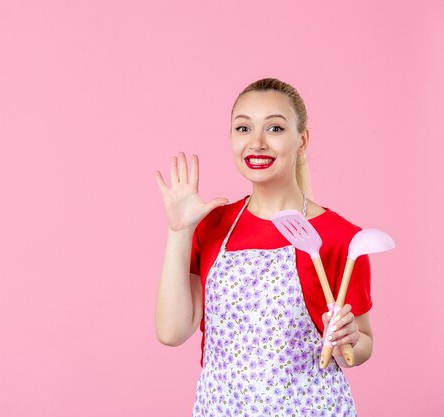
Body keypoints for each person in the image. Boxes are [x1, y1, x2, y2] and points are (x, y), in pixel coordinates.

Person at [154, 78, 373, 416]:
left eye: (274, 128)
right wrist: (179, 230)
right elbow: (171, 332)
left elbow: (363, 343)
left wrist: (350, 341)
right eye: (243, 128)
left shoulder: (339, 236)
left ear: (302, 140)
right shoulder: (212, 225)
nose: (256, 142)